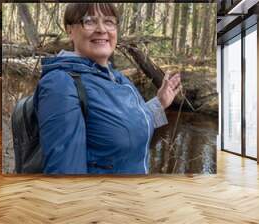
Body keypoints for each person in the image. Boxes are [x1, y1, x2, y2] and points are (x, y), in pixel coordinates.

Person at [33, 3, 181, 174]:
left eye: (109, 21)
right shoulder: (61, 84)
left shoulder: (118, 78)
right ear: (70, 30)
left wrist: (159, 103)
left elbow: (124, 124)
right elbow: (65, 174)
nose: (102, 29)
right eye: (89, 21)